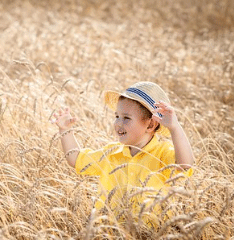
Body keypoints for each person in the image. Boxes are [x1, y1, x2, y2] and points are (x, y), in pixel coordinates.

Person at [51, 81, 194, 227]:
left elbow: (185, 164)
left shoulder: (162, 153)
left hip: (151, 233)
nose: (118, 123)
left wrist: (175, 128)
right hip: (111, 232)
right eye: (116, 116)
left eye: (126, 118)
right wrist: (65, 130)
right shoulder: (111, 153)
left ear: (150, 125)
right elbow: (76, 159)